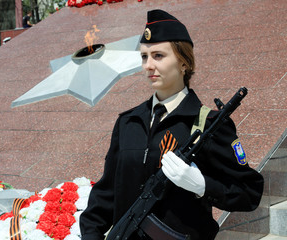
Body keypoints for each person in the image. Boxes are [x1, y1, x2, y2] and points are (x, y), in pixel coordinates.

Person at [80, 9, 264, 240]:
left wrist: (202, 186)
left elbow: (249, 192)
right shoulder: (128, 122)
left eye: (158, 56)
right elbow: (105, 194)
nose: (148, 65)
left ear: (184, 62)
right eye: (144, 56)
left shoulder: (208, 124)